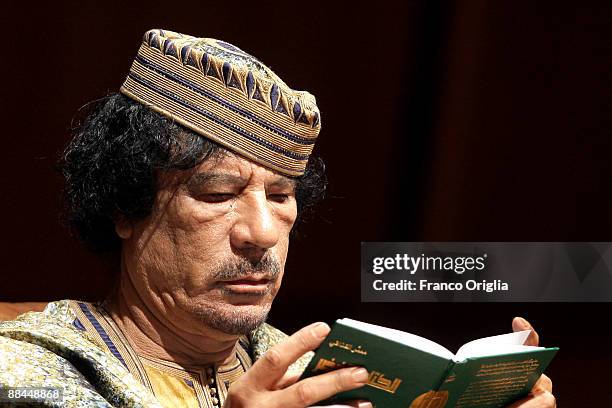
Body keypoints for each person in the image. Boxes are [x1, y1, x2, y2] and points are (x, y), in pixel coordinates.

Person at [0, 29, 555, 408]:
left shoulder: (324, 375)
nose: (263, 233)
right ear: (125, 207)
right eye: (218, 193)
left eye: (283, 196)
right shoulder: (28, 373)